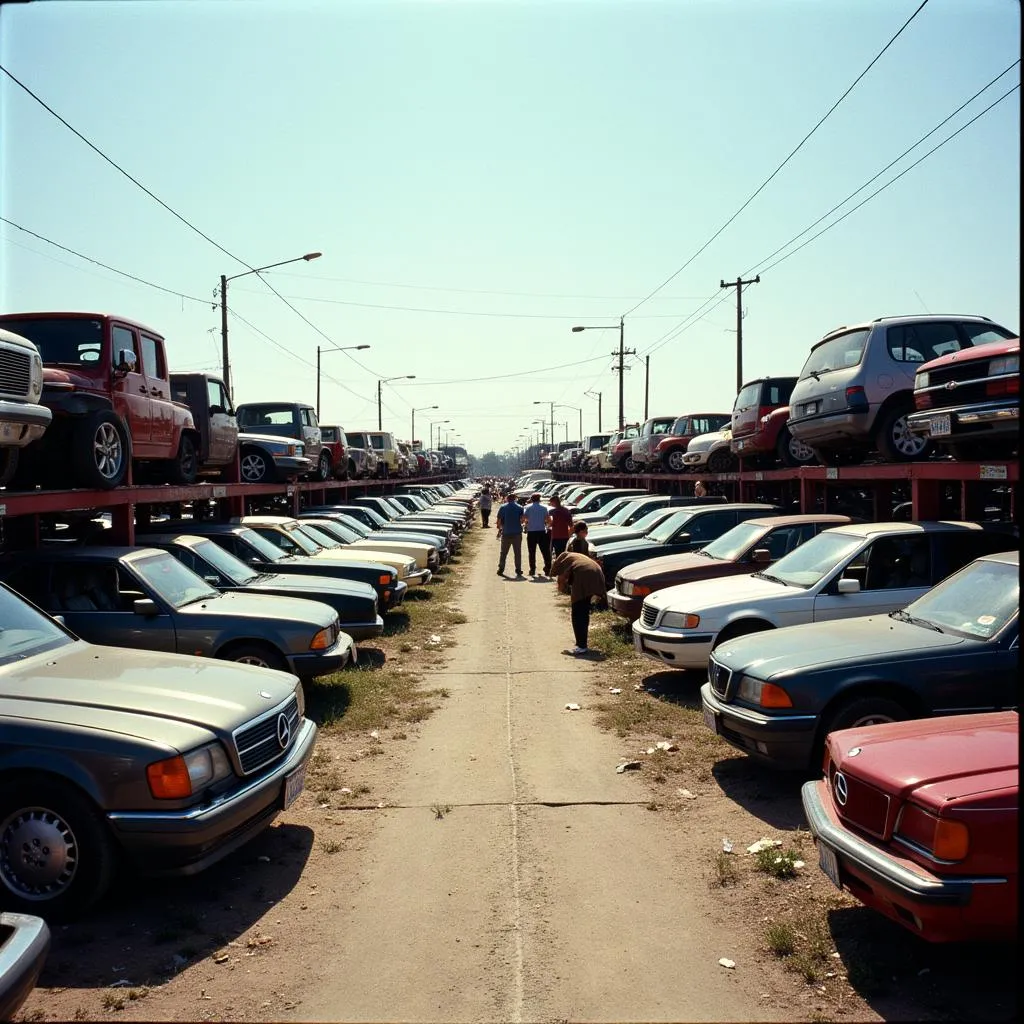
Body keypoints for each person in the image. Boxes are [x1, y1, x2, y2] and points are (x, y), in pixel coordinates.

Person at [550, 550, 607, 655]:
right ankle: (582, 642)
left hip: (584, 576)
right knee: (584, 611)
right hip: (597, 574)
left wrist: (561, 589)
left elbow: (561, 578)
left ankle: (581, 646)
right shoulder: (576, 557)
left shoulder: (565, 561)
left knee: (577, 612)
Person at [495, 492, 526, 577]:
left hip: (506, 532)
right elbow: (522, 520)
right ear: (515, 499)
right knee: (517, 552)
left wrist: (499, 528)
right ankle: (518, 569)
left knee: (503, 552)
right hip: (517, 533)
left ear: (507, 499)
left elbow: (499, 520)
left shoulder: (503, 507)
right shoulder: (520, 507)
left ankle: (501, 568)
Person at [522, 492, 552, 576]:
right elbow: (548, 520)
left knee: (532, 552)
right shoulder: (544, 508)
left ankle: (532, 569)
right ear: (539, 499)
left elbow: (524, 519)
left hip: (531, 532)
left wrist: (527, 522)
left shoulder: (527, 508)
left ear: (531, 499)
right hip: (541, 531)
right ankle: (547, 568)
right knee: (545, 551)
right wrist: (547, 525)